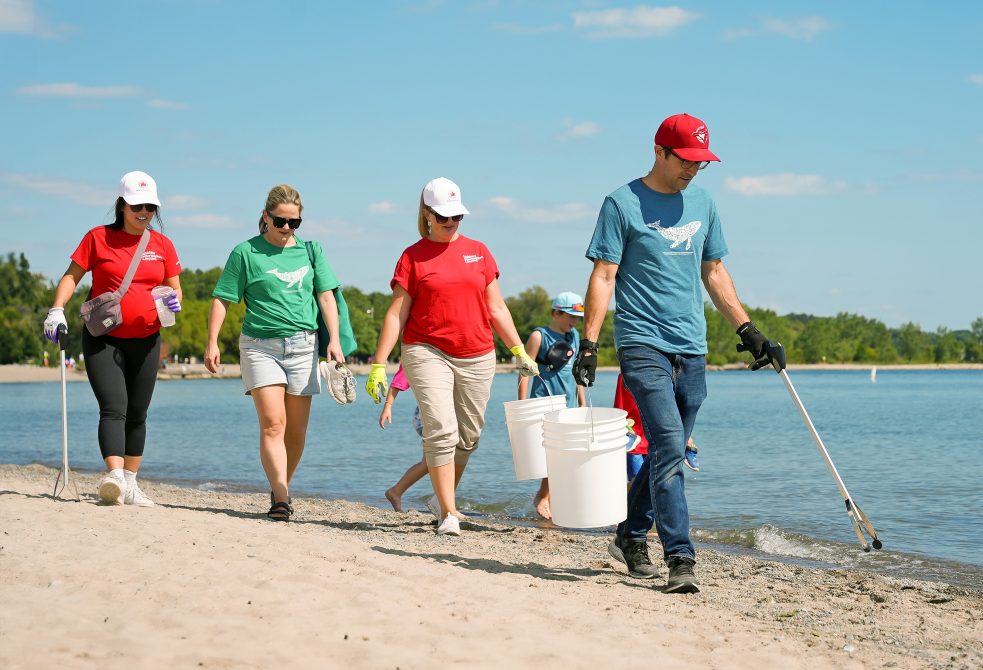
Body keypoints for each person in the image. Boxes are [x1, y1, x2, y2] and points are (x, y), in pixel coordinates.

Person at [572, 113, 784, 594]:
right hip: (641, 341)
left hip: (692, 344)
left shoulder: (704, 203)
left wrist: (748, 328)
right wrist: (589, 343)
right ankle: (680, 558)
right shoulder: (621, 203)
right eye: (685, 159)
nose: (692, 169)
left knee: (669, 449)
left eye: (700, 162)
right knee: (669, 444)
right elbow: (604, 275)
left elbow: (714, 272)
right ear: (659, 152)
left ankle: (629, 535)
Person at [366, 177, 538, 536]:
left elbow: (496, 307)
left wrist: (518, 349)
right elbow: (396, 314)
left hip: (478, 353)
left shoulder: (480, 251)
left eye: (457, 216)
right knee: (441, 431)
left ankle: (439, 500)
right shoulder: (412, 256)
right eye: (443, 216)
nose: (451, 222)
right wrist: (379, 364)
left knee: (468, 437)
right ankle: (448, 513)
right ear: (427, 214)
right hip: (426, 350)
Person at [204, 184, 345, 522]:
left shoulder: (311, 251)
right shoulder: (245, 252)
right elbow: (222, 298)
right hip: (259, 347)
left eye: (294, 223)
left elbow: (326, 296)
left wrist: (335, 341)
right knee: (273, 424)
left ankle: (280, 485)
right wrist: (212, 341)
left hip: (304, 347)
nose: (286, 228)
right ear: (265, 217)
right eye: (280, 221)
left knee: (295, 434)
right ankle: (281, 499)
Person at [43, 171, 182, 507]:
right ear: (122, 205)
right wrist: (56, 309)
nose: (144, 212)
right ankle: (115, 477)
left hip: (147, 339)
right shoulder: (98, 238)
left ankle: (130, 484)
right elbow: (71, 277)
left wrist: (173, 301)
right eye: (137, 206)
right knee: (114, 406)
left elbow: (175, 288)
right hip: (103, 338)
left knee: (138, 412)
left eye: (150, 206)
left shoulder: (162, 245)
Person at [516, 291, 586, 519]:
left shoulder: (574, 336)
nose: (574, 321)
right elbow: (524, 372)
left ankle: (549, 498)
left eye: (577, 317)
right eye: (571, 316)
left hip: (568, 405)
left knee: (564, 455)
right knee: (551, 454)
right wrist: (521, 406)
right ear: (556, 313)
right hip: (543, 403)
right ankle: (544, 497)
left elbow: (577, 372)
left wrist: (582, 404)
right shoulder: (539, 336)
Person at [614, 374, 699, 479]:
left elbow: (675, 409)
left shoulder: (665, 375)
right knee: (635, 480)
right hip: (634, 440)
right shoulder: (626, 375)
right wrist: (619, 429)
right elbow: (619, 407)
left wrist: (686, 435)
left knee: (656, 482)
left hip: (657, 442)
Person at [380, 365, 428, 512]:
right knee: (436, 460)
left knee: (431, 463)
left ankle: (396, 491)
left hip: (441, 415)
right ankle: (443, 503)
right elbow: (400, 378)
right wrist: (388, 406)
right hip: (425, 417)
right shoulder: (418, 354)